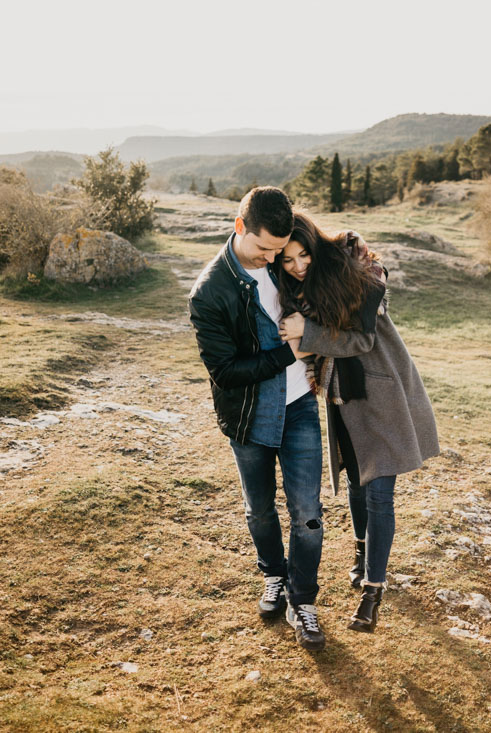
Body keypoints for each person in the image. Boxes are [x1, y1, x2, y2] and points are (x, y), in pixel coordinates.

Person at [277, 212, 439, 632]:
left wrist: (307, 331)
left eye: (303, 255)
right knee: (355, 482)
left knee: (380, 494)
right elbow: (310, 348)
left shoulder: (355, 268)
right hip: (342, 398)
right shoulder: (295, 293)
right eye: (287, 260)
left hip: (381, 394)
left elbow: (363, 340)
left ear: (315, 245)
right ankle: (361, 551)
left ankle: (373, 589)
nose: (297, 266)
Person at [188, 187, 326, 651]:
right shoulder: (210, 292)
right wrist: (289, 352)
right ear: (239, 226)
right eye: (264, 248)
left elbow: (342, 279)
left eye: (279, 249)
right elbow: (225, 373)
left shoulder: (285, 264)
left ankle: (302, 601)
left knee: (307, 513)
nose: (273, 258)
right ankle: (273, 575)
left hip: (301, 405)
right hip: (247, 414)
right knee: (260, 510)